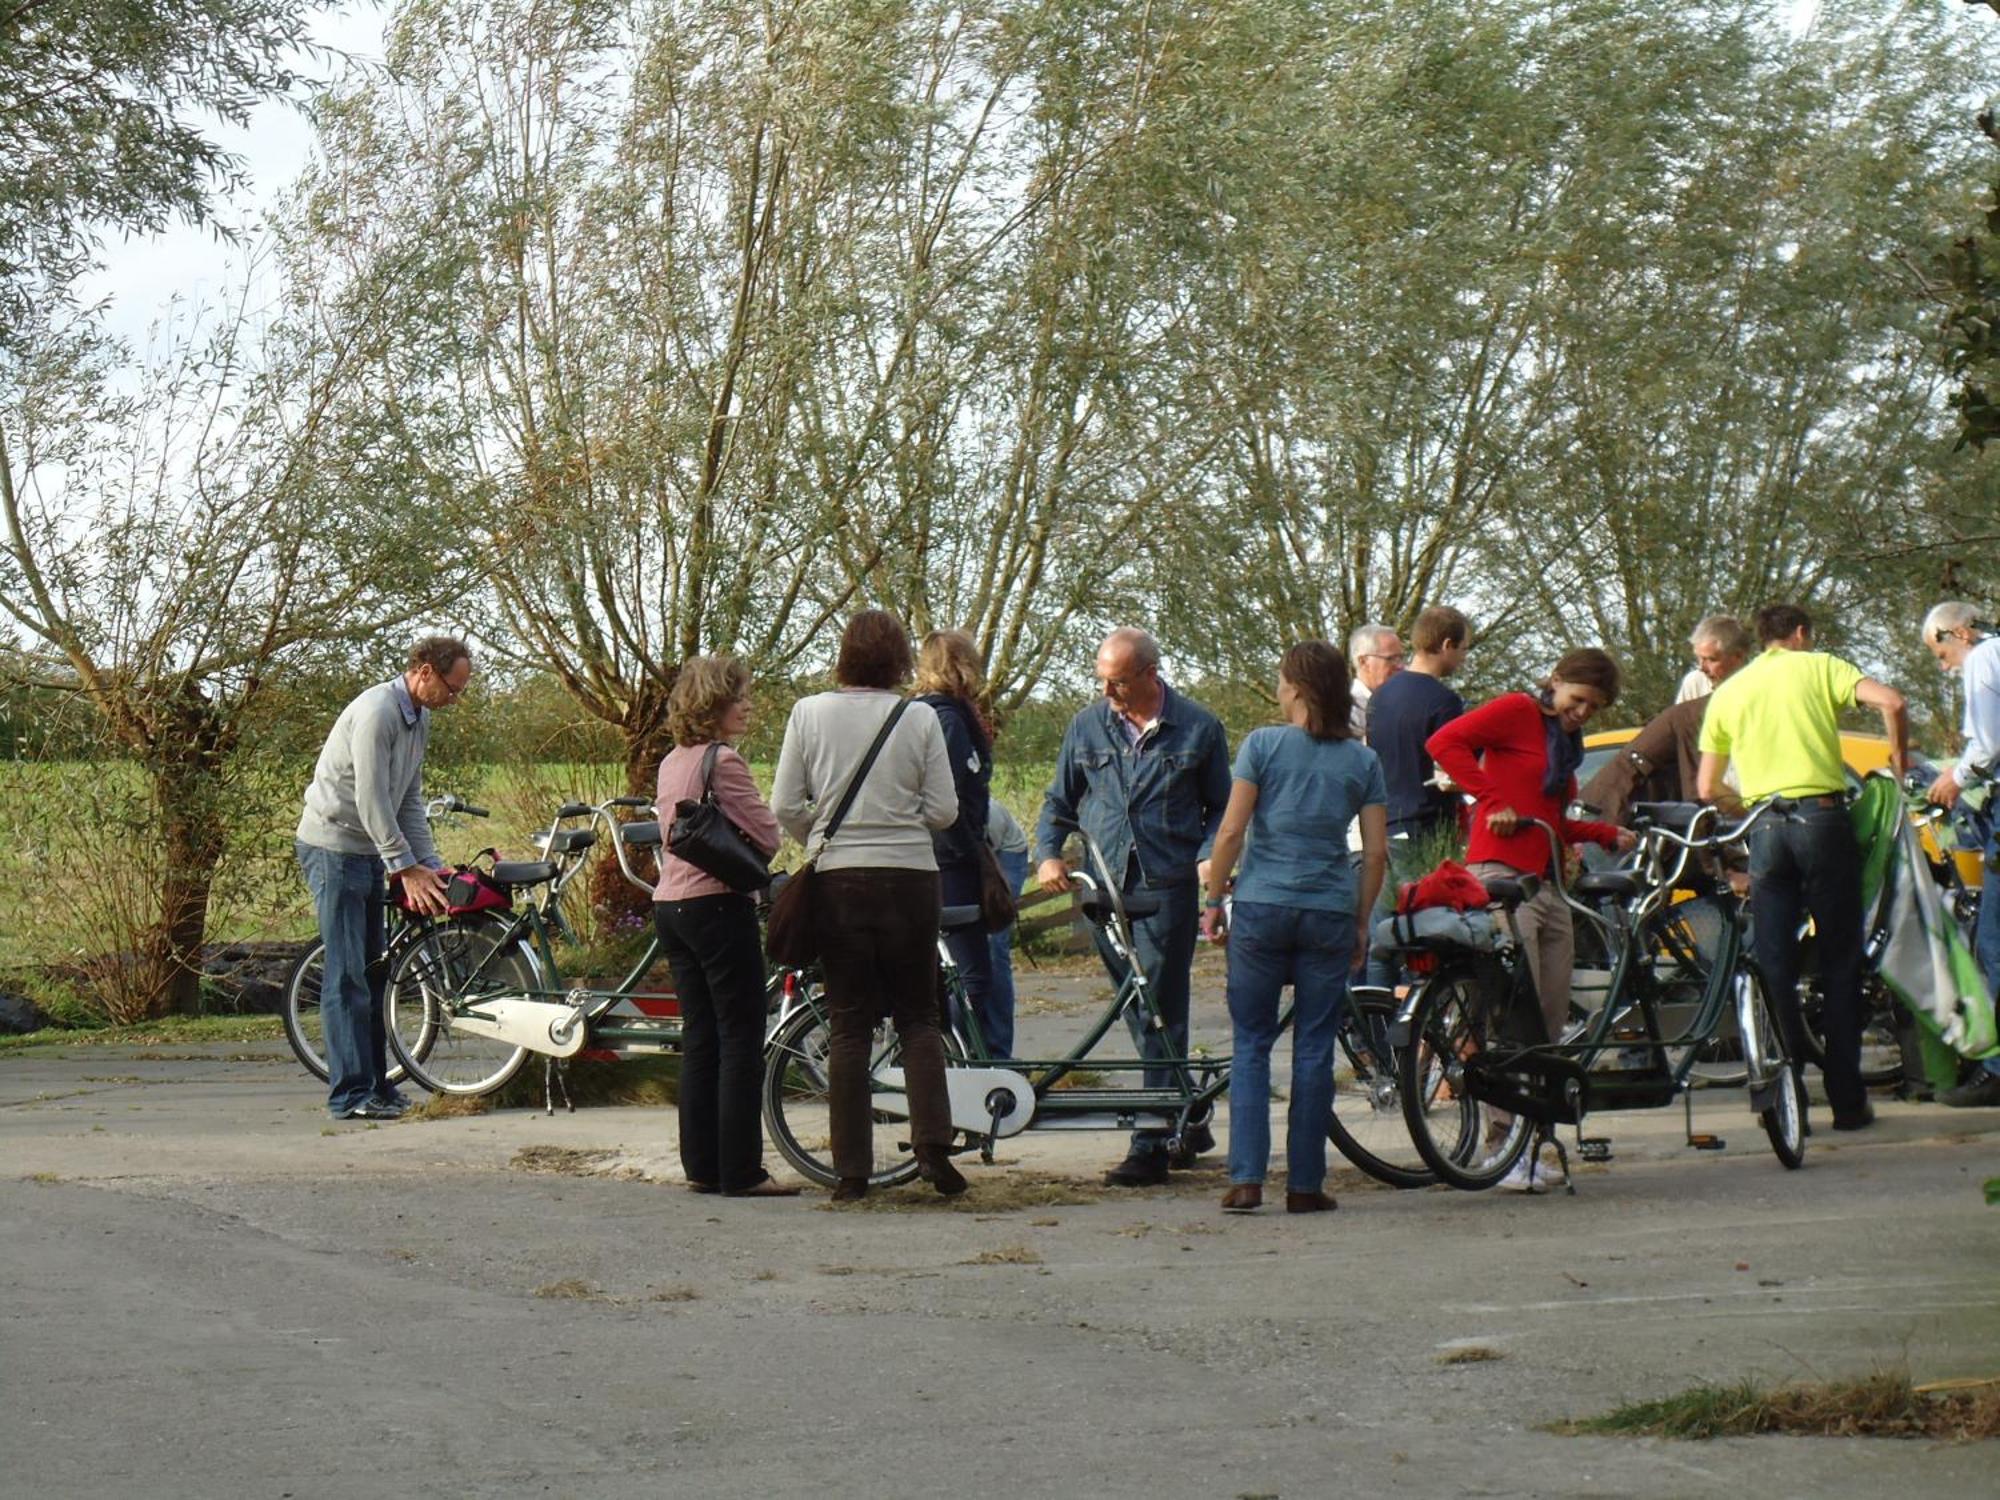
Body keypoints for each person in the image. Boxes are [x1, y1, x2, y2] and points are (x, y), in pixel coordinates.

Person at [1426, 648, 1637, 1187]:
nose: (1584, 712)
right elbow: (1444, 742)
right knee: (1511, 1019)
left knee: (1546, 1021)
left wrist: (1604, 833)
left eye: (1596, 707)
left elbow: (1552, 821)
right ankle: (1502, 1145)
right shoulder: (1517, 711)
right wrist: (1489, 796)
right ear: (1557, 681)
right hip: (1501, 876)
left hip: (1548, 884)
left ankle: (1537, 1140)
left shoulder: (1563, 742)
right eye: (1579, 699)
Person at [773, 610, 964, 1200]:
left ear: (844, 655)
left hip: (840, 880)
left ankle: (851, 1174)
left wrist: (823, 833)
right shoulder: (919, 718)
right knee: (919, 1017)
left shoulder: (809, 713)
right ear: (900, 659)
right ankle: (933, 1147)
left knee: (849, 1024)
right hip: (910, 879)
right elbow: (944, 811)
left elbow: (784, 804)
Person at [1696, 603, 1908, 1132]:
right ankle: (1847, 1100)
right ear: (1799, 634)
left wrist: (1745, 806)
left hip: (1767, 830)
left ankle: (1788, 1104)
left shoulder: (1729, 692)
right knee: (1839, 961)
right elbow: (1892, 701)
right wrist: (1900, 765)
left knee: (1775, 966)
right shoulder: (1818, 666)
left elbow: (1707, 788)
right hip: (1823, 821)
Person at [1035, 627, 1232, 1186]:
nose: (1108, 692)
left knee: (1159, 1009)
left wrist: (1206, 855)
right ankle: (1187, 1117)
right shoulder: (1087, 726)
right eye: (1101, 680)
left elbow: (1223, 808)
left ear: (1150, 673)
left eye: (1117, 682)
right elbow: (1060, 800)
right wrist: (1049, 852)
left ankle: (1150, 1144)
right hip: (1103, 886)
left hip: (1166, 887)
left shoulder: (1199, 728)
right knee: (1136, 1007)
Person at [1202, 642, 1387, 1214]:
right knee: (1314, 1046)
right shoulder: (1363, 761)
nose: (1278, 689)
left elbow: (1231, 833)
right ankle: (1305, 1185)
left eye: (1282, 680)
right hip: (1330, 908)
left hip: (1261, 906)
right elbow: (1376, 853)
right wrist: (1360, 920)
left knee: (1252, 1042)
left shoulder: (1262, 745)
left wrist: (1213, 899)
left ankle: (1246, 1179)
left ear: (1298, 688)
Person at [296, 635, 473, 1121]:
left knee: (376, 975)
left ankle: (378, 1087)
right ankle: (349, 1096)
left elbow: (408, 800)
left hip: (369, 852)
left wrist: (430, 865)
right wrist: (404, 866)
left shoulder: (420, 718)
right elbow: (373, 800)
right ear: (424, 671)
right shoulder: (378, 713)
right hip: (334, 849)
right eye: (452, 689)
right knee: (347, 976)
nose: (454, 700)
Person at [653, 655, 793, 1197]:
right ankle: (742, 1170)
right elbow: (768, 833)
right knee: (741, 1035)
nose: (747, 706)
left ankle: (702, 1166)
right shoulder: (723, 761)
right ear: (715, 705)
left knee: (701, 1037)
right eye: (740, 697)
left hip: (671, 904)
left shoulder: (672, 761)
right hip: (716, 902)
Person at [1362, 605, 1469, 984]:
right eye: (1463, 649)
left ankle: (1372, 1031)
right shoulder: (1444, 701)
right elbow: (1452, 772)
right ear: (1446, 644)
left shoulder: (1380, 697)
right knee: (1423, 936)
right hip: (1426, 827)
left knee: (1381, 936)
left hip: (1381, 825)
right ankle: (1422, 1034)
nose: (1463, 658)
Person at [1921, 602, 2000, 1108]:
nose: (1943, 663)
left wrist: (1955, 778)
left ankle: (1995, 1069)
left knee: (1993, 942)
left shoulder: (1983, 661)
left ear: (1962, 632)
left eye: (1941, 649)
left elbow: (1990, 745)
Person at [913, 630, 1007, 1055]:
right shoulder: (948, 719)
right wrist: (974, 853)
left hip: (928, 857)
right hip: (950, 862)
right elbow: (946, 798)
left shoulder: (915, 713)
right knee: (973, 977)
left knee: (944, 974)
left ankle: (942, 1060)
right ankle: (931, 1055)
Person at [984, 796, 1032, 1055]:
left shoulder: (986, 812)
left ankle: (998, 1053)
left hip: (1004, 850)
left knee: (991, 944)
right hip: (963, 843)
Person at [1674, 615, 1753, 703]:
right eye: (1700, 658)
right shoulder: (1694, 683)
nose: (1702, 668)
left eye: (1711, 659)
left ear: (1738, 656)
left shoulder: (1761, 686)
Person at [1347, 623, 1404, 738]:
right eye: (1391, 659)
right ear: (1363, 662)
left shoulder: (1402, 703)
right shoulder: (1350, 713)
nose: (1400, 666)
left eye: (1400, 658)